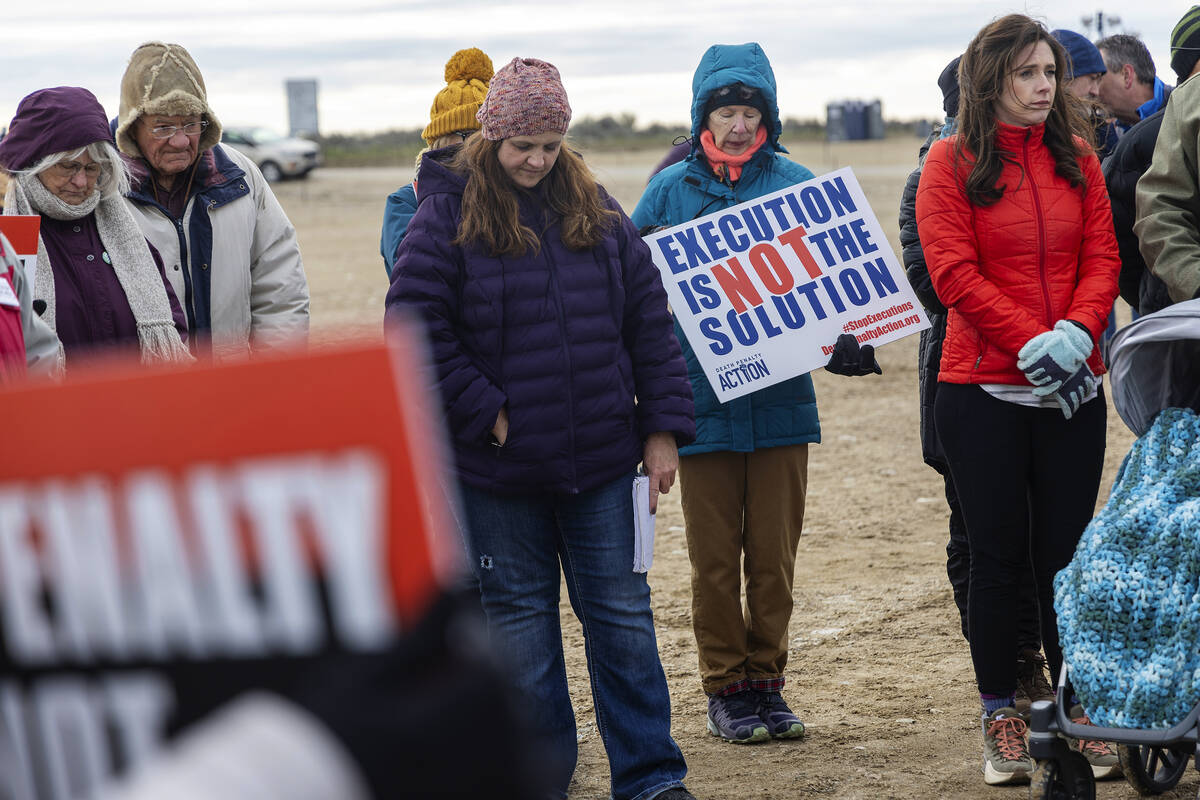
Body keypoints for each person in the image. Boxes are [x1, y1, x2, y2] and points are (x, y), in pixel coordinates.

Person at [385, 57, 697, 800]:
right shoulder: (446, 214)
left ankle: (652, 779)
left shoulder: (601, 211)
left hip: (601, 463)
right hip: (498, 477)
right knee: (521, 639)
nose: (536, 159)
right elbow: (413, 327)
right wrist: (485, 412)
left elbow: (649, 326)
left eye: (551, 144)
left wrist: (661, 431)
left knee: (623, 623)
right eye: (522, 143)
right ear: (492, 135)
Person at [632, 42, 877, 747]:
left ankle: (768, 683)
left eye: (749, 111)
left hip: (781, 410)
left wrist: (846, 343)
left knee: (773, 560)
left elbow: (835, 291)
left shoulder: (801, 184)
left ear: (766, 115)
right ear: (702, 115)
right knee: (715, 563)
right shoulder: (669, 191)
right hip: (699, 408)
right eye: (724, 110)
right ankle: (726, 689)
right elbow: (634, 295)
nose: (738, 124)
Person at [915, 15, 1120, 786]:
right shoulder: (950, 162)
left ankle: (1078, 709)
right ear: (991, 78)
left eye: (1051, 73)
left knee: (1066, 561)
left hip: (1072, 391)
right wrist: (1031, 339)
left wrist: (1075, 332)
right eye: (1029, 72)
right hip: (981, 392)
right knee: (998, 561)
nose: (1044, 86)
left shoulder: (1080, 159)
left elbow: (1103, 253)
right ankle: (1000, 713)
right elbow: (953, 274)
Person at [898, 55, 1053, 718]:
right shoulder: (929, 177)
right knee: (981, 536)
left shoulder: (1045, 169)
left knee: (1041, 534)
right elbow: (935, 285)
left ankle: (1044, 669)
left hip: (1044, 382)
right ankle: (1010, 672)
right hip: (961, 383)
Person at [114, 41, 309, 359]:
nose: (179, 140)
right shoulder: (102, 187)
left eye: (191, 123)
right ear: (132, 126)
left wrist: (275, 374)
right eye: (163, 126)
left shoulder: (240, 176)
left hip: (232, 385)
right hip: (144, 393)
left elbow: (280, 282)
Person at [0, 87, 190, 369]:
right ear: (33, 165)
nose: (81, 182)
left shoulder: (128, 238)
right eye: (67, 166)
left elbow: (174, 330)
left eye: (91, 169)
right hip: (51, 410)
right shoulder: (9, 246)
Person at [1105, 7, 1200, 317]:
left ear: (1127, 74)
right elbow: (1146, 218)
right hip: (1175, 309)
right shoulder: (1139, 140)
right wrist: (1185, 288)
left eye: (1098, 76)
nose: (1093, 90)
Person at [380, 47, 493, 278]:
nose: (481, 146)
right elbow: (411, 274)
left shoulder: (512, 189)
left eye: (489, 137)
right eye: (470, 136)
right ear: (440, 140)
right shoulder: (408, 200)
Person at [1051, 29, 1118, 158]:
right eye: (1092, 79)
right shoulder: (1035, 131)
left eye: (1099, 81)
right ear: (1064, 78)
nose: (1096, 91)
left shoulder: (1102, 132)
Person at [1097, 34, 1172, 134]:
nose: (1092, 90)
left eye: (1097, 78)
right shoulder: (1109, 133)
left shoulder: (1185, 110)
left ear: (1127, 76)